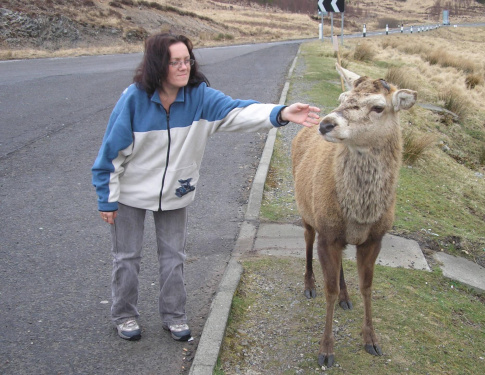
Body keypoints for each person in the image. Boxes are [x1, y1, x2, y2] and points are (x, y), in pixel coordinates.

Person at [91, 33, 320, 342]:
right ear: (158, 65)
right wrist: (107, 198)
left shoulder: (199, 97)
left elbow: (239, 111)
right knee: (127, 257)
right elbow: (110, 152)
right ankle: (124, 315)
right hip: (130, 193)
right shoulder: (134, 99)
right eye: (175, 62)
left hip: (176, 192)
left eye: (187, 60)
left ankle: (174, 316)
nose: (183, 67)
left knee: (173, 257)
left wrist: (280, 113)